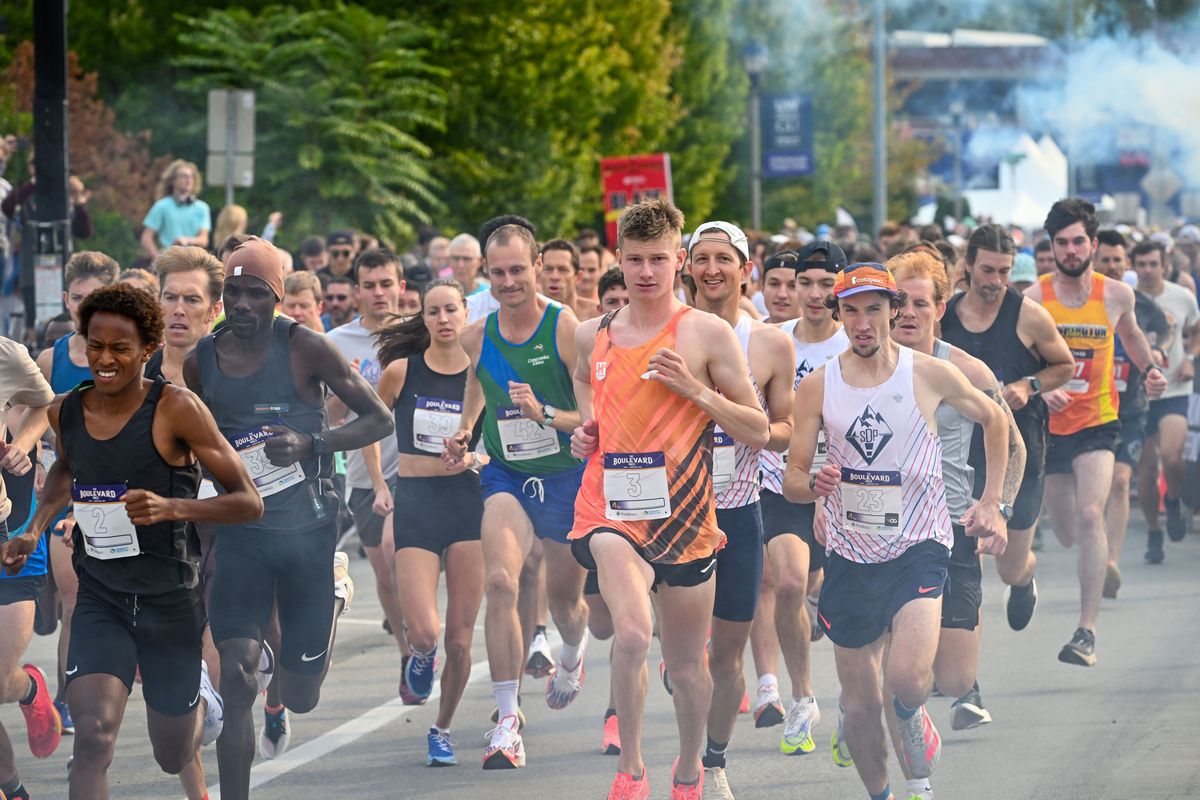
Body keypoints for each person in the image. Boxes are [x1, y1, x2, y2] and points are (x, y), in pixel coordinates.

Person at [2, 284, 265, 800]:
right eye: (95, 345)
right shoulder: (66, 412)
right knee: (93, 740)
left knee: (171, 754)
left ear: (147, 348)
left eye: (119, 348)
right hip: (103, 596)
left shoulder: (177, 409)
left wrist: (173, 508)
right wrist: (32, 528)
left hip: (169, 598)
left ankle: (200, 704)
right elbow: (66, 473)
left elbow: (248, 501)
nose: (104, 359)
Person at [784, 261, 1010, 800]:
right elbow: (793, 478)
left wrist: (992, 502)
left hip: (920, 545)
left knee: (906, 681)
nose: (864, 323)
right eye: (852, 312)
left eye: (875, 310)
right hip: (849, 554)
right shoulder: (818, 386)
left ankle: (914, 743)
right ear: (838, 316)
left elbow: (995, 418)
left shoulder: (925, 372)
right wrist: (814, 481)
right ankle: (884, 793)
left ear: (895, 311)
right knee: (860, 705)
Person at [569, 199, 768, 800]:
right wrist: (588, 427)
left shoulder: (704, 333)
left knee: (687, 667)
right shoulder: (593, 333)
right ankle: (630, 769)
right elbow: (586, 382)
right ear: (619, 262)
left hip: (684, 516)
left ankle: (688, 770)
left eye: (658, 259)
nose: (646, 272)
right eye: (635, 260)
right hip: (609, 509)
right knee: (631, 633)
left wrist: (695, 391)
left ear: (678, 261)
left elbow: (757, 429)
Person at [183, 237, 393, 800]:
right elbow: (193, 442)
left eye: (257, 293)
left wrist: (312, 442)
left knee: (301, 695)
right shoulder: (200, 361)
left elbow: (379, 420)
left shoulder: (307, 349)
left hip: (307, 534)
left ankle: (334, 591)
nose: (243, 304)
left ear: (277, 298)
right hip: (242, 534)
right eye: (233, 291)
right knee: (237, 675)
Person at [441, 222, 590, 770]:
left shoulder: (563, 328)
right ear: (487, 272)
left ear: (537, 267)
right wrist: (464, 431)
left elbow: (588, 420)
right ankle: (507, 720)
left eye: (517, 270)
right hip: (506, 474)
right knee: (500, 579)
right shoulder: (476, 335)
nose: (508, 282)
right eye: (497, 272)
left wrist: (544, 414)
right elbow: (478, 383)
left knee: (567, 608)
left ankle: (572, 656)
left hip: (565, 476)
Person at [889, 250, 1026, 757]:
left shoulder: (966, 369)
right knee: (896, 663)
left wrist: (996, 507)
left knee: (952, 674)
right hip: (880, 528)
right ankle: (873, 712)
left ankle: (928, 695)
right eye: (897, 301)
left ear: (940, 308)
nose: (907, 313)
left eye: (920, 304)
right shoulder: (861, 365)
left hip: (949, 522)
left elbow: (1013, 445)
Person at [1025, 199, 1166, 666]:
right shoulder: (1034, 299)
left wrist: (1149, 368)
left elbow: (1129, 335)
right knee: (1066, 532)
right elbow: (1021, 364)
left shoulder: (1115, 294)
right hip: (1050, 427)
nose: (1070, 250)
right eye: (1061, 243)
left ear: (1094, 242)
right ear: (1052, 247)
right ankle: (1033, 572)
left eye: (1078, 241)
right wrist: (1041, 392)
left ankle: (1086, 631)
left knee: (1090, 516)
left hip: (1099, 421)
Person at [685, 222, 795, 799]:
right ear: (687, 268)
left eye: (723, 259)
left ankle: (714, 761)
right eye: (700, 259)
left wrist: (745, 425)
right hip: (674, 514)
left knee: (726, 659)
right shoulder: (666, 336)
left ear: (744, 268)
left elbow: (785, 430)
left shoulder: (771, 344)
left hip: (737, 512)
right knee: (681, 658)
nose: (712, 269)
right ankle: (684, 767)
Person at [372, 279, 485, 766]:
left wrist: (476, 461)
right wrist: (380, 485)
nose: (443, 319)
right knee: (425, 631)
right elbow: (369, 427)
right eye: (433, 311)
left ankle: (442, 728)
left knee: (460, 640)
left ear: (465, 313)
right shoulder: (401, 371)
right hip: (415, 499)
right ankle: (419, 655)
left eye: (451, 310)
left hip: (468, 503)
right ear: (423, 317)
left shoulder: (482, 373)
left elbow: (499, 443)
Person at [940, 224, 1074, 633]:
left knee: (1009, 566)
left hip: (1020, 455)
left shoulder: (1028, 315)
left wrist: (1028, 385)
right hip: (961, 456)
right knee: (966, 565)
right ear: (969, 266)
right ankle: (966, 671)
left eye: (1004, 271)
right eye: (988, 271)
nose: (996, 282)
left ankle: (1025, 578)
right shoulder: (945, 316)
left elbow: (1064, 365)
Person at [750, 240, 848, 760]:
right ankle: (802, 698)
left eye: (824, 284)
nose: (812, 294)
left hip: (851, 491)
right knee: (785, 580)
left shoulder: (856, 345)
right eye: (803, 283)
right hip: (785, 482)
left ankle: (856, 704)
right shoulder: (773, 341)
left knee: (848, 606)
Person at [34, 250, 119, 733]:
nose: (87, 307)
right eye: (79, 298)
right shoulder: (51, 358)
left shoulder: (130, 351)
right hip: (68, 491)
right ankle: (68, 698)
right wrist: (40, 452)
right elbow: (27, 417)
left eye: (97, 298)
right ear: (67, 300)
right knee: (77, 599)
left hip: (117, 490)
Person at [327, 250, 408, 675]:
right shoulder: (337, 343)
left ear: (401, 287)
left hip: (416, 469)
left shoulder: (420, 335)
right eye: (370, 286)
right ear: (357, 291)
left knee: (404, 557)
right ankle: (406, 651)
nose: (379, 293)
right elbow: (328, 416)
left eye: (387, 284)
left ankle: (420, 636)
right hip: (362, 475)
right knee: (385, 570)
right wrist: (343, 399)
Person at [1093, 231, 1168, 587]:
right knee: (1095, 492)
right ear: (1095, 261)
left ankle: (1109, 562)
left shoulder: (1137, 301)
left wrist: (1158, 354)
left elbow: (1164, 328)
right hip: (1091, 409)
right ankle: (1094, 546)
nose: (1111, 266)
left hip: (1132, 408)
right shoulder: (1082, 302)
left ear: (1127, 265)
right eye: (1105, 260)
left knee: (1121, 481)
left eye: (1117, 260)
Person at [0, 335, 55, 800]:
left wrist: (22, 443)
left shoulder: (6, 355)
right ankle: (12, 788)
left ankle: (28, 688)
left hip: (7, 533)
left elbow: (46, 406)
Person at [1129, 239, 1200, 560]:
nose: (1147, 271)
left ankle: (1172, 499)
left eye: (1152, 264)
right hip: (1139, 394)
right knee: (1145, 470)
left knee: (1172, 458)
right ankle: (1153, 534)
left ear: (1164, 265)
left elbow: (1196, 330)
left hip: (1174, 389)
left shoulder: (1181, 297)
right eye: (1141, 264)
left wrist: (1190, 358)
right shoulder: (1126, 298)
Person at [140, 160, 211, 259]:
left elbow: (204, 239)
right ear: (173, 180)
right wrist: (158, 260)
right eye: (184, 176)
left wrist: (186, 240)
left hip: (193, 260)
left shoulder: (202, 207)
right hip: (170, 259)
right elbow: (146, 238)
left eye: (191, 177)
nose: (189, 180)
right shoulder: (161, 206)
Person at [540, 239, 581, 316]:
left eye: (563, 270)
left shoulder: (596, 314)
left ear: (578, 277)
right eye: (548, 269)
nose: (554, 277)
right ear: (539, 274)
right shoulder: (526, 315)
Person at [577, 245, 606, 320]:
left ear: (601, 270)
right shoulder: (561, 302)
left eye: (591, 270)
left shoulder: (609, 300)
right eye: (580, 270)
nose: (586, 276)